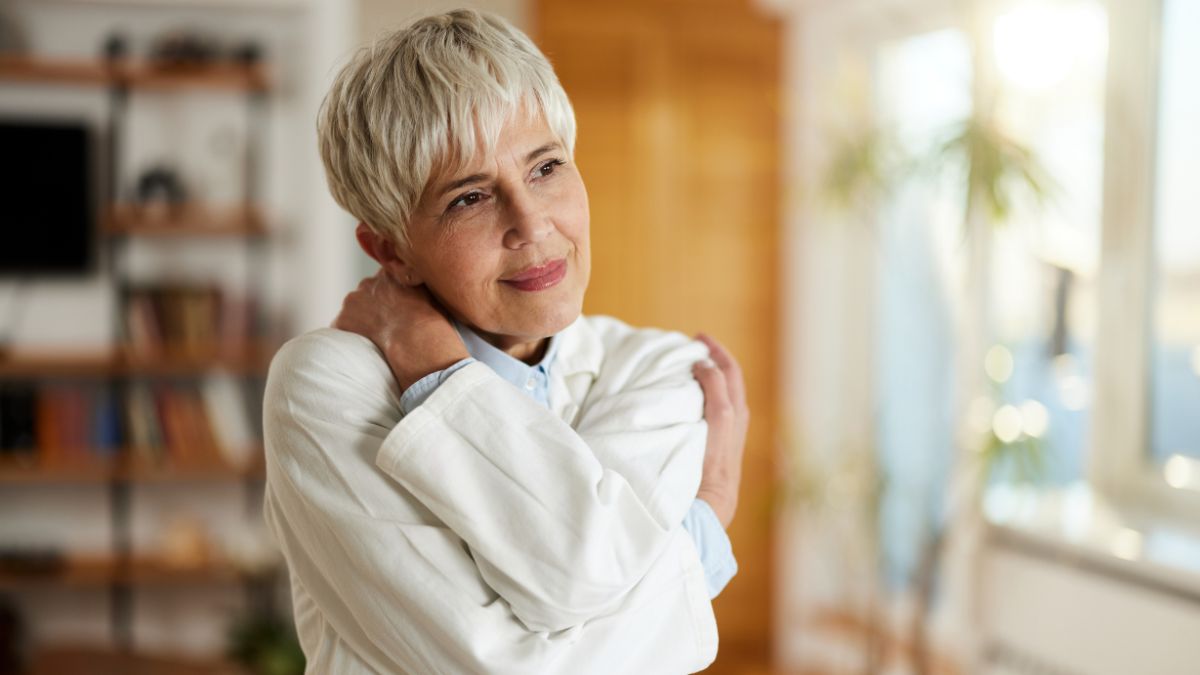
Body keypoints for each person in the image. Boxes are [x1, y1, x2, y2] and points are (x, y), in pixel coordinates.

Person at [262, 9, 749, 674]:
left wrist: (436, 366)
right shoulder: (326, 383)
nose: (532, 222)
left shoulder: (665, 370)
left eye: (546, 166)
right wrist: (703, 536)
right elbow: (504, 664)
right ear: (390, 250)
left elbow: (575, 577)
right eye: (468, 198)